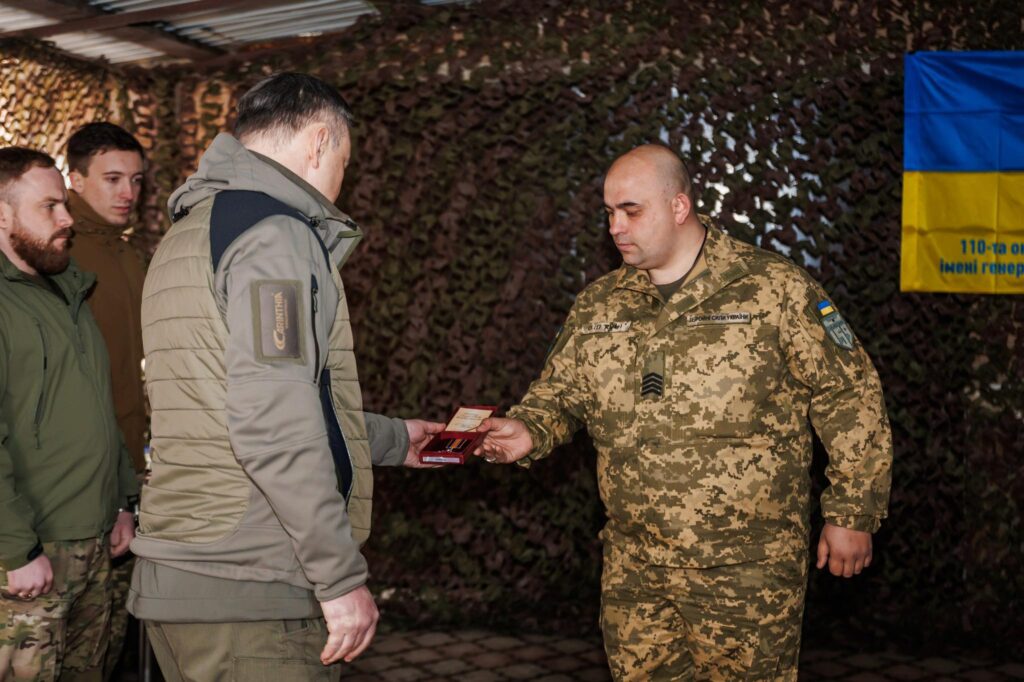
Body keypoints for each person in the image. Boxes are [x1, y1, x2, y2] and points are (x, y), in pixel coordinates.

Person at [475, 144, 893, 681]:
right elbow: (561, 392)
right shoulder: (601, 303)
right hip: (635, 569)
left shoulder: (772, 289)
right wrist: (528, 428)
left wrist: (852, 514)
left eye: (631, 211)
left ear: (679, 206)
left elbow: (850, 395)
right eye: (609, 213)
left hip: (746, 571)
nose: (616, 227)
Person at [128, 73, 443, 681]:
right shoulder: (274, 234)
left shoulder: (191, 230)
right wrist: (339, 577)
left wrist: (395, 439)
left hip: (186, 577)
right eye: (344, 161)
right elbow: (273, 422)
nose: (341, 180)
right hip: (254, 586)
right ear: (320, 140)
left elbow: (231, 401)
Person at [0, 146, 139, 681]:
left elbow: (99, 408)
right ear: (4, 214)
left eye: (64, 205)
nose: (66, 219)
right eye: (50, 207)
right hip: (31, 551)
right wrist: (15, 550)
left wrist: (121, 501)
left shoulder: (69, 290)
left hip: (94, 539)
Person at [65, 121, 147, 680]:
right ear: (75, 179)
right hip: (79, 482)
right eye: (112, 178)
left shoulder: (128, 254)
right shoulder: (57, 253)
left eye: (136, 180)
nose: (127, 192)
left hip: (127, 470)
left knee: (110, 643)